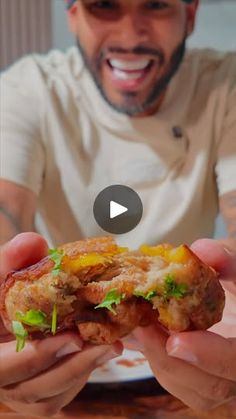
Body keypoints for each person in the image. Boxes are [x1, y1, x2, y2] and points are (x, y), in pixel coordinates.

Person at [0, 0, 235, 415]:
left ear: (191, 15)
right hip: (49, 366)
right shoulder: (30, 89)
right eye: (104, 5)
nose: (131, 35)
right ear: (74, 16)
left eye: (157, 4)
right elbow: (6, 208)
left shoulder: (225, 86)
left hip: (188, 379)